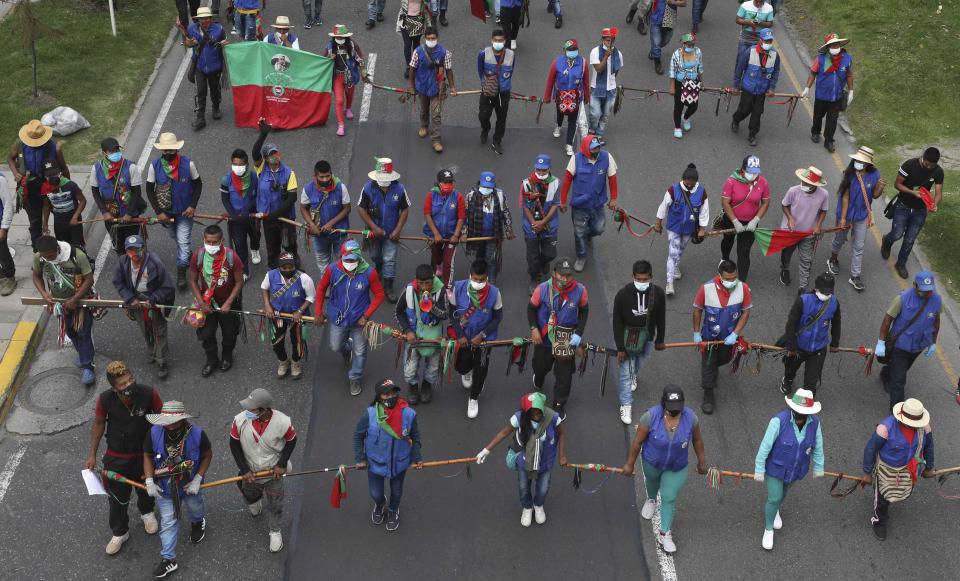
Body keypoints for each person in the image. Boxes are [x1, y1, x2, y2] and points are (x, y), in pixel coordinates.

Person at [85, 361, 162, 555]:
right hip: (117, 456)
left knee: (146, 487)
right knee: (117, 497)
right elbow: (99, 424)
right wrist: (92, 454)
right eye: (123, 384)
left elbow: (163, 419)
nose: (129, 385)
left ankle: (147, 513)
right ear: (114, 388)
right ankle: (120, 532)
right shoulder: (104, 400)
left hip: (145, 453)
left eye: (131, 380)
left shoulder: (149, 393)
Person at [621, 386, 707, 553]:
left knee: (669, 496)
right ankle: (651, 500)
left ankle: (664, 533)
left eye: (678, 408)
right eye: (671, 408)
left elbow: (697, 440)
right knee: (652, 482)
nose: (675, 411)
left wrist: (702, 462)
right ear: (663, 404)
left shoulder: (691, 419)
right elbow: (637, 442)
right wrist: (629, 464)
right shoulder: (650, 417)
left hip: (676, 466)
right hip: (652, 463)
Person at [475, 392, 567, 527]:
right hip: (524, 462)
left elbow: (562, 433)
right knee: (524, 487)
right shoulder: (519, 418)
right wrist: (486, 450)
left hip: (545, 462)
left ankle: (538, 505)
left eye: (539, 412)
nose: (537, 416)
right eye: (533, 413)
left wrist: (562, 455)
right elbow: (503, 433)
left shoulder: (552, 417)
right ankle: (527, 507)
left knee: (543, 488)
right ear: (526, 412)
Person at [143, 401, 212, 579]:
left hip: (190, 485)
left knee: (196, 509)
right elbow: (148, 456)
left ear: (182, 419)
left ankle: (198, 522)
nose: (171, 426)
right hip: (166, 488)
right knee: (168, 522)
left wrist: (198, 478)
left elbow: (207, 454)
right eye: (167, 422)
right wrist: (150, 480)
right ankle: (168, 559)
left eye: (175, 422)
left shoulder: (197, 434)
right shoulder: (154, 432)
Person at [754, 389, 824, 551]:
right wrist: (759, 468)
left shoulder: (815, 423)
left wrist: (819, 466)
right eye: (798, 410)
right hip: (775, 469)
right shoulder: (778, 421)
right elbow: (765, 447)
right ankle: (768, 528)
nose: (800, 413)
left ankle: (776, 509)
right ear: (792, 408)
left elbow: (818, 446)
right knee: (774, 497)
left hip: (797, 470)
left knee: (783, 493)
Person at [230, 388, 298, 552]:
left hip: (273, 471)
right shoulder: (239, 421)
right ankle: (254, 502)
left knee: (275, 503)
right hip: (251, 471)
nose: (247, 412)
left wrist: (281, 464)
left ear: (264, 410)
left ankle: (275, 531)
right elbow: (234, 444)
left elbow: (291, 440)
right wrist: (244, 469)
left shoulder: (283, 422)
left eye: (252, 409)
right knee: (249, 493)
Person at [315, 240, 385, 396]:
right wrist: (318, 312)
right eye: (346, 260)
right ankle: (347, 350)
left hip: (359, 321)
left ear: (359, 258)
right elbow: (320, 289)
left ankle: (355, 377)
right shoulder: (332, 270)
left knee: (360, 352)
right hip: (338, 318)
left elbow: (379, 295)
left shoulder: (369, 273)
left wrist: (366, 316)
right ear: (341, 258)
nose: (349, 263)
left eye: (353, 260)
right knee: (335, 346)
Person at [353, 379, 423, 532]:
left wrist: (417, 457)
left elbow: (416, 438)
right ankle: (380, 504)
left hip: (400, 463)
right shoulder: (370, 414)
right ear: (379, 397)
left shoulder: (409, 414)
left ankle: (393, 511)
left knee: (396, 491)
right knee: (376, 493)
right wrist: (360, 458)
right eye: (386, 394)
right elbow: (358, 435)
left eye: (393, 393)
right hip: (375, 463)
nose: (390, 397)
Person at [861, 398, 935, 541]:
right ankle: (880, 521)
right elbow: (871, 449)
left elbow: (929, 447)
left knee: (901, 492)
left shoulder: (925, 429)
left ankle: (888, 501)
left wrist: (929, 467)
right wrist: (867, 472)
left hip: (909, 470)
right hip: (886, 471)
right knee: (882, 499)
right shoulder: (885, 429)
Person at [32, 235, 96, 385]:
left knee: (83, 332)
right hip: (60, 304)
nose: (48, 259)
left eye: (51, 256)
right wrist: (44, 294)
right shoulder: (39, 258)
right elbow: (36, 276)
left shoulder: (76, 256)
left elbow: (89, 279)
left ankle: (88, 366)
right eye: (44, 256)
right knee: (69, 331)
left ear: (57, 249)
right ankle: (83, 354)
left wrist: (75, 299)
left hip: (79, 302)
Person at [529, 257, 588, 418]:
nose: (565, 279)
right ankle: (539, 376)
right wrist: (534, 329)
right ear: (554, 274)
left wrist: (578, 334)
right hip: (544, 339)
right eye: (562, 275)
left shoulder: (580, 291)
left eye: (569, 275)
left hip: (566, 340)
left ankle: (559, 404)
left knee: (564, 376)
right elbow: (531, 309)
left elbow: (584, 311)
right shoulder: (541, 289)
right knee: (540, 367)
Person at [693, 259, 753, 414]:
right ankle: (708, 393)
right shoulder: (706, 289)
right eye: (727, 279)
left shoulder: (743, 288)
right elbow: (697, 310)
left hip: (729, 338)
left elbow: (746, 312)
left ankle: (712, 369)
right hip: (709, 338)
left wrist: (735, 333)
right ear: (719, 275)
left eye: (734, 278)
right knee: (709, 364)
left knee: (725, 359)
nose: (731, 281)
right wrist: (696, 333)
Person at [112, 235, 176, 379]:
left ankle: (161, 360)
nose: (133, 254)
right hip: (136, 300)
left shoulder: (155, 262)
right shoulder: (123, 262)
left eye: (137, 250)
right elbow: (118, 282)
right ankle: (151, 350)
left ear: (144, 248)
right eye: (130, 251)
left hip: (154, 300)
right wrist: (129, 298)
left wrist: (153, 299)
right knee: (145, 327)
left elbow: (168, 288)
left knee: (159, 330)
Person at [875, 272, 941, 409]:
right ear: (914, 285)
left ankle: (886, 374)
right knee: (899, 380)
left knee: (904, 368)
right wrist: (881, 342)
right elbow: (887, 320)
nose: (927, 294)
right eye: (923, 290)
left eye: (930, 291)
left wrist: (933, 342)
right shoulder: (902, 299)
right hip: (901, 346)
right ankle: (898, 414)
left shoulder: (937, 300)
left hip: (919, 346)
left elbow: (936, 321)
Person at [146, 132, 202, 291]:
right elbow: (150, 189)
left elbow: (198, 184)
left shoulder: (188, 164)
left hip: (185, 213)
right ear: (161, 151)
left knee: (183, 243)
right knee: (177, 238)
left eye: (171, 150)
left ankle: (182, 271)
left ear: (176, 149)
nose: (168, 153)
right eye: (165, 150)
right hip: (165, 215)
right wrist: (158, 212)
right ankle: (186, 254)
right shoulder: (154, 166)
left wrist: (192, 206)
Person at [612, 261, 666, 424]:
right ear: (633, 277)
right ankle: (626, 404)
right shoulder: (622, 295)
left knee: (640, 362)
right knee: (625, 374)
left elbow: (661, 318)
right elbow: (617, 322)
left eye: (645, 279)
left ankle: (633, 375)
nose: (641, 282)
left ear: (651, 277)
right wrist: (620, 347)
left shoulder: (658, 293)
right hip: (627, 340)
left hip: (647, 338)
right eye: (638, 279)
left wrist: (660, 339)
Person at [449, 259, 504, 419]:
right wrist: (459, 334)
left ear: (487, 278)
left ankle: (473, 397)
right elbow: (452, 313)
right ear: (470, 276)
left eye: (482, 279)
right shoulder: (458, 287)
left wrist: (482, 335)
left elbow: (497, 318)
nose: (478, 282)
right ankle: (467, 372)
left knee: (481, 368)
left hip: (485, 339)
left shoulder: (495, 293)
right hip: (463, 337)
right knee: (462, 366)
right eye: (475, 279)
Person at [189, 225, 245, 377]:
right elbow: (193, 282)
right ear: (204, 240)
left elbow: (239, 282)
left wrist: (228, 303)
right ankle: (211, 360)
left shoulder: (233, 257)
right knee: (206, 334)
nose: (211, 245)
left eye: (215, 242)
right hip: (206, 302)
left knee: (230, 333)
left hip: (228, 303)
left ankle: (227, 356)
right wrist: (201, 303)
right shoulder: (198, 256)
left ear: (222, 240)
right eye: (208, 242)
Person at [881, 147, 944, 280]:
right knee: (897, 234)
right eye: (927, 164)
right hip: (903, 205)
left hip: (920, 210)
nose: (929, 167)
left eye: (932, 165)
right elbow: (897, 184)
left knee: (910, 239)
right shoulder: (909, 164)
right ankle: (886, 241)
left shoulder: (938, 171)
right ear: (923, 158)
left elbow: (938, 192)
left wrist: (934, 204)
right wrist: (912, 192)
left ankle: (901, 264)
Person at [827, 146, 885, 292]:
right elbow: (845, 197)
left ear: (868, 164)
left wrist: (880, 187)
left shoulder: (875, 174)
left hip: (861, 215)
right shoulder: (849, 174)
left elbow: (875, 195)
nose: (858, 162)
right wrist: (843, 219)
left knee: (859, 246)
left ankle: (855, 276)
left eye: (861, 161)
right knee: (839, 239)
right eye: (857, 160)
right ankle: (833, 259)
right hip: (845, 214)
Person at [559, 135, 619, 273]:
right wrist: (562, 201)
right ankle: (581, 256)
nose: (597, 150)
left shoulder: (606, 157)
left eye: (598, 147)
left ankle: (587, 234)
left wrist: (614, 198)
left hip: (597, 204)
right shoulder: (575, 159)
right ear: (586, 149)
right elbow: (567, 181)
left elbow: (612, 178)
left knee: (599, 228)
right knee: (579, 232)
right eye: (593, 148)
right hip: (580, 206)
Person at [8, 119, 70, 251]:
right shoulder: (19, 145)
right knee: (35, 220)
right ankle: (38, 251)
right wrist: (15, 173)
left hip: (50, 186)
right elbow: (10, 159)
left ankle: (64, 246)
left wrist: (68, 188)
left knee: (60, 215)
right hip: (29, 188)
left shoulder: (55, 147)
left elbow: (64, 168)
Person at [357, 158, 411, 303]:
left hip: (392, 232)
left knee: (390, 259)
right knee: (374, 255)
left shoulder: (400, 189)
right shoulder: (367, 188)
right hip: (373, 232)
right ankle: (379, 267)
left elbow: (405, 210)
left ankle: (388, 285)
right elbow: (361, 209)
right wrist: (374, 228)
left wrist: (398, 230)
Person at [778, 273, 840, 396]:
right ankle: (788, 379)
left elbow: (837, 323)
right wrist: (792, 346)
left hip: (818, 348)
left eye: (829, 293)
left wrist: (835, 343)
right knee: (791, 368)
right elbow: (791, 323)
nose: (826, 295)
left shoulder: (834, 303)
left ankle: (806, 400)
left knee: (811, 386)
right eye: (824, 292)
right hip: (798, 346)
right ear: (816, 288)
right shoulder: (803, 300)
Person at [396, 264, 448, 405]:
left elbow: (445, 314)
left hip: (434, 337)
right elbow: (398, 312)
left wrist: (433, 305)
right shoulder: (408, 290)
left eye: (427, 283)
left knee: (433, 367)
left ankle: (426, 385)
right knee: (410, 370)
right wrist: (407, 331)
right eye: (421, 283)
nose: (424, 287)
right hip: (413, 337)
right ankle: (413, 386)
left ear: (433, 279)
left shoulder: (442, 290)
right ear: (416, 280)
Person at [654, 163, 709, 296]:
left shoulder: (702, 192)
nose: (689, 184)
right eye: (687, 182)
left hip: (689, 229)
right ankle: (669, 283)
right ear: (683, 179)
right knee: (673, 252)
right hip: (674, 227)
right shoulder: (673, 190)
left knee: (681, 249)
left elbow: (704, 211)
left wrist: (702, 229)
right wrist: (658, 223)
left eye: (692, 182)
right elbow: (663, 207)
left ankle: (676, 266)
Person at [252, 121, 299, 269]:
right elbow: (254, 152)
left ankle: (294, 268)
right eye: (270, 154)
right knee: (272, 247)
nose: (274, 156)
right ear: (265, 158)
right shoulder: (261, 169)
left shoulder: (289, 173)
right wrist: (263, 134)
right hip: (268, 218)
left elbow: (292, 197)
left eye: (275, 152)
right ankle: (273, 271)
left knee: (289, 245)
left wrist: (276, 214)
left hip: (285, 217)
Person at [261, 252, 316, 380]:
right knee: (276, 342)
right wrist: (267, 305)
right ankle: (283, 361)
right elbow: (264, 288)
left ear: (295, 266)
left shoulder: (304, 278)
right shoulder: (270, 275)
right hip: (277, 315)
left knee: (297, 341)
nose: (287, 270)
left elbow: (311, 296)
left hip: (297, 317)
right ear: (279, 267)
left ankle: (296, 363)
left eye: (290, 267)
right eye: (284, 268)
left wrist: (300, 310)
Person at [717, 155, 770, 282]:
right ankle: (725, 258)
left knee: (744, 251)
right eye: (751, 172)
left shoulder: (763, 182)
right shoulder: (731, 181)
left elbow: (765, 202)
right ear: (743, 170)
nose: (753, 175)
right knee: (728, 240)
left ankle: (742, 282)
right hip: (731, 219)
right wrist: (735, 221)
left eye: (756, 173)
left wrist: (756, 219)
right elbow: (725, 203)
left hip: (750, 222)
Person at [405, 28, 457, 153]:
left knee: (436, 115)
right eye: (428, 38)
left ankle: (436, 140)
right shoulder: (418, 51)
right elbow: (412, 69)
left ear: (437, 38)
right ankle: (424, 125)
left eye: (433, 38)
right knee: (423, 110)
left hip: (437, 89)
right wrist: (411, 87)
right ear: (425, 39)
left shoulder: (445, 53)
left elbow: (449, 71)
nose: (431, 40)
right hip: (422, 86)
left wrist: (452, 87)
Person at [91, 137, 147, 255]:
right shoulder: (96, 169)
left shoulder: (131, 167)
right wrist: (105, 212)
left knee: (132, 246)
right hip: (111, 216)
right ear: (104, 153)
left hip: (130, 216)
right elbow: (95, 192)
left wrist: (129, 213)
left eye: (117, 150)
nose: (116, 153)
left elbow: (137, 192)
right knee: (119, 246)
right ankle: (124, 265)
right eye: (112, 151)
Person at [779, 166, 829, 290]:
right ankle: (785, 269)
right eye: (803, 181)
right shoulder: (793, 191)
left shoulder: (824, 194)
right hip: (790, 231)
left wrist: (818, 225)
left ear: (815, 185)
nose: (803, 184)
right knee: (786, 253)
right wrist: (790, 218)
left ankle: (802, 288)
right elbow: (784, 205)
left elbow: (824, 210)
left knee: (806, 260)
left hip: (808, 233)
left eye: (807, 183)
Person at [801, 34, 853, 153]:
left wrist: (851, 91)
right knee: (818, 116)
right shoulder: (821, 59)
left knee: (832, 120)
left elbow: (849, 75)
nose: (835, 46)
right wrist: (807, 88)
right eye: (833, 45)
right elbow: (813, 73)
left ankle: (829, 141)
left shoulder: (847, 59)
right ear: (828, 47)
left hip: (836, 97)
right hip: (821, 95)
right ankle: (815, 132)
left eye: (837, 44)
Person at [301, 159, 350, 281]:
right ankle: (326, 284)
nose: (325, 179)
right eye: (321, 177)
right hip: (319, 235)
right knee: (323, 263)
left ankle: (340, 283)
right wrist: (311, 225)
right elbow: (303, 208)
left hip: (339, 233)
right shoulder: (307, 189)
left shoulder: (341, 187)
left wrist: (331, 223)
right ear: (315, 176)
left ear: (331, 174)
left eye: (328, 176)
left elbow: (347, 208)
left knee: (341, 261)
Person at [731, 27, 779, 146]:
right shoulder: (749, 52)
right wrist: (736, 86)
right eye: (766, 41)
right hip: (748, 88)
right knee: (744, 109)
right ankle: (736, 120)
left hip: (762, 90)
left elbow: (776, 72)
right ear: (760, 40)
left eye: (770, 41)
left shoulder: (774, 55)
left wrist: (771, 88)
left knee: (757, 113)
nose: (768, 43)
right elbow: (739, 69)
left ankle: (752, 134)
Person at [519, 154, 560, 292]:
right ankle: (534, 278)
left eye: (544, 170)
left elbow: (555, 204)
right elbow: (524, 206)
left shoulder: (556, 182)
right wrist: (534, 223)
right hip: (531, 226)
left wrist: (543, 221)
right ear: (535, 168)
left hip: (549, 225)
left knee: (550, 254)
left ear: (549, 168)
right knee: (532, 257)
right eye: (539, 170)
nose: (541, 173)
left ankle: (544, 262)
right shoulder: (526, 183)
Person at [464, 171, 514, 285]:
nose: (486, 189)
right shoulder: (471, 196)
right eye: (484, 186)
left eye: (489, 187)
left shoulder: (500, 195)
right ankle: (477, 279)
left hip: (493, 235)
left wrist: (508, 230)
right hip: (476, 234)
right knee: (478, 258)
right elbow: (465, 215)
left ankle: (491, 281)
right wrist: (463, 232)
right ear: (480, 184)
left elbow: (506, 213)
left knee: (491, 258)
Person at [220, 148, 261, 279]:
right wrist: (233, 214)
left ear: (247, 164)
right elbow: (225, 200)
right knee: (239, 244)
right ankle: (244, 271)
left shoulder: (254, 176)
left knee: (255, 235)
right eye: (235, 164)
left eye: (241, 164)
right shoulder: (226, 180)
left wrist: (247, 209)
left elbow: (258, 196)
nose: (238, 167)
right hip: (236, 218)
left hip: (251, 215)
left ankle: (255, 249)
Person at [544, 39, 589, 157]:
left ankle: (569, 145)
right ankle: (558, 126)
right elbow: (550, 80)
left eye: (574, 49)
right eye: (570, 50)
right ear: (564, 50)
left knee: (573, 121)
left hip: (576, 97)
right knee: (560, 114)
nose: (572, 52)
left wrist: (587, 97)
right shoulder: (557, 62)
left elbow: (586, 81)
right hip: (560, 96)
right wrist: (547, 96)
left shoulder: (583, 63)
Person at [186, 7, 226, 131]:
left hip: (215, 66)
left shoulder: (219, 29)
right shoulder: (191, 28)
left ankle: (216, 107)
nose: (205, 20)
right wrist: (189, 43)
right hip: (200, 66)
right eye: (202, 18)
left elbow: (224, 42)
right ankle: (200, 118)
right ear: (198, 19)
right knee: (201, 91)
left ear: (211, 18)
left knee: (215, 89)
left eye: (207, 18)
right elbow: (187, 42)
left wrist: (224, 44)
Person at [423, 169, 465, 285]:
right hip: (434, 234)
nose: (448, 185)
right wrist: (435, 234)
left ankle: (447, 286)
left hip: (451, 235)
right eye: (445, 182)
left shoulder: (458, 197)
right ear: (438, 183)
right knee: (436, 255)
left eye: (450, 182)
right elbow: (427, 214)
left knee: (448, 262)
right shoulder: (431, 195)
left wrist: (456, 235)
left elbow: (461, 217)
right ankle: (438, 265)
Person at [323, 24, 366, 137]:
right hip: (337, 76)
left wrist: (364, 72)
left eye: (342, 37)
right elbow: (321, 62)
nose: (340, 39)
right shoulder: (329, 47)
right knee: (339, 100)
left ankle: (348, 109)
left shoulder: (352, 45)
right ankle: (341, 125)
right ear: (334, 37)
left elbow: (360, 59)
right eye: (338, 37)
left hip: (350, 75)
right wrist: (328, 59)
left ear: (346, 37)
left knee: (350, 95)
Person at [477, 29, 515, 155]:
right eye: (496, 40)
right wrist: (486, 85)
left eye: (501, 40)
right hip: (488, 91)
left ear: (505, 41)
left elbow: (511, 72)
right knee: (483, 115)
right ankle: (485, 128)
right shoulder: (483, 54)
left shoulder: (511, 55)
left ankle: (497, 141)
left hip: (503, 93)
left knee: (501, 118)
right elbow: (480, 71)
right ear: (491, 40)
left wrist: (503, 86)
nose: (498, 42)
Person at [39, 159, 86, 251]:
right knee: (63, 247)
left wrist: (75, 217)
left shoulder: (70, 185)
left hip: (74, 220)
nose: (52, 177)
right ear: (45, 176)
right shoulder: (45, 188)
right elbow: (46, 206)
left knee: (78, 246)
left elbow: (83, 201)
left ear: (60, 172)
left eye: (54, 174)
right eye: (49, 175)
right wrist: (45, 224)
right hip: (59, 222)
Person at [589, 27, 624, 141]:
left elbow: (616, 71)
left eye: (612, 40)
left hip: (611, 90)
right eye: (608, 40)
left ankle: (599, 134)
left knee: (605, 114)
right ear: (602, 40)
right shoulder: (595, 52)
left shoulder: (618, 54)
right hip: (596, 88)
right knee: (595, 113)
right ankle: (592, 130)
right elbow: (599, 69)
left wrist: (611, 83)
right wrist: (606, 56)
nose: (610, 43)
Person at [668, 32, 703, 139]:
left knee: (694, 106)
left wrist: (701, 82)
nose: (691, 47)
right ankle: (677, 127)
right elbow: (672, 71)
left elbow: (700, 68)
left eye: (693, 44)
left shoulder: (698, 52)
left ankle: (686, 117)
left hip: (694, 83)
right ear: (683, 43)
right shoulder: (676, 54)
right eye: (689, 45)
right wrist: (672, 87)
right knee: (679, 107)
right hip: (680, 84)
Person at [649, 0, 685, 75]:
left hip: (669, 20)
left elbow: (684, 3)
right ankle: (657, 63)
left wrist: (672, 2)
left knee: (666, 40)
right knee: (656, 42)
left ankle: (654, 50)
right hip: (655, 19)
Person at [395, 0, 429, 67]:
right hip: (405, 19)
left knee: (416, 44)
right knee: (408, 44)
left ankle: (415, 64)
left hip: (418, 21)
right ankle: (408, 66)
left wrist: (428, 24)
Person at [0, 171, 15, 296]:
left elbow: (8, 205)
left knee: (2, 251)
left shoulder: (0, 180)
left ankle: (9, 277)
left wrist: (4, 227)